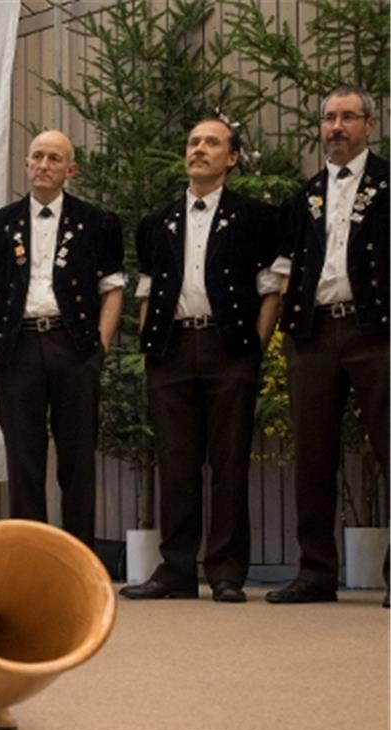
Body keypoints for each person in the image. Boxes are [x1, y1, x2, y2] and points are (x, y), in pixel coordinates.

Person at [121, 118, 280, 603]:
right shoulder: (157, 223)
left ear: (231, 158)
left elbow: (270, 289)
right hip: (170, 351)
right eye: (193, 142)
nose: (199, 150)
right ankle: (175, 570)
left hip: (230, 348)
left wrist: (252, 346)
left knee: (229, 461)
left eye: (212, 143)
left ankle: (227, 571)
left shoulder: (255, 218)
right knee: (176, 463)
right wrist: (152, 343)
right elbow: (147, 291)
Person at [0, 130, 124, 551]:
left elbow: (112, 289)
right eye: (36, 156)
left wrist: (100, 347)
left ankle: (79, 559)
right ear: (26, 164)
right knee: (24, 457)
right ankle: (30, 557)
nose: (43, 165)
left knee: (77, 458)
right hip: (16, 348)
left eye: (54, 158)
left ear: (70, 170)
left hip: (74, 346)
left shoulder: (98, 223)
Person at [266, 85, 389, 606]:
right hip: (314, 333)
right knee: (312, 454)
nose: (336, 127)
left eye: (347, 118)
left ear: (370, 124)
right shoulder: (306, 195)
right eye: (328, 119)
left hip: (376, 330)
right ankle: (316, 572)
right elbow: (286, 271)